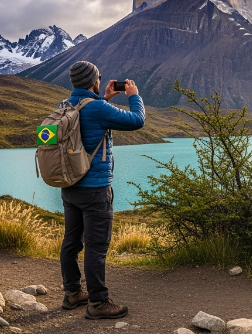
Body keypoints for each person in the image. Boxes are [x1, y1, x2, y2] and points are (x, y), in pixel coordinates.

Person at [60, 61, 145, 319]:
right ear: (94, 81)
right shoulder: (98, 108)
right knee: (96, 247)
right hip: (95, 189)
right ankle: (97, 303)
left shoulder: (64, 105)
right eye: (98, 78)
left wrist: (104, 98)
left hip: (69, 187)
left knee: (71, 242)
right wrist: (134, 96)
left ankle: (72, 293)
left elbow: (88, 121)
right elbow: (137, 120)